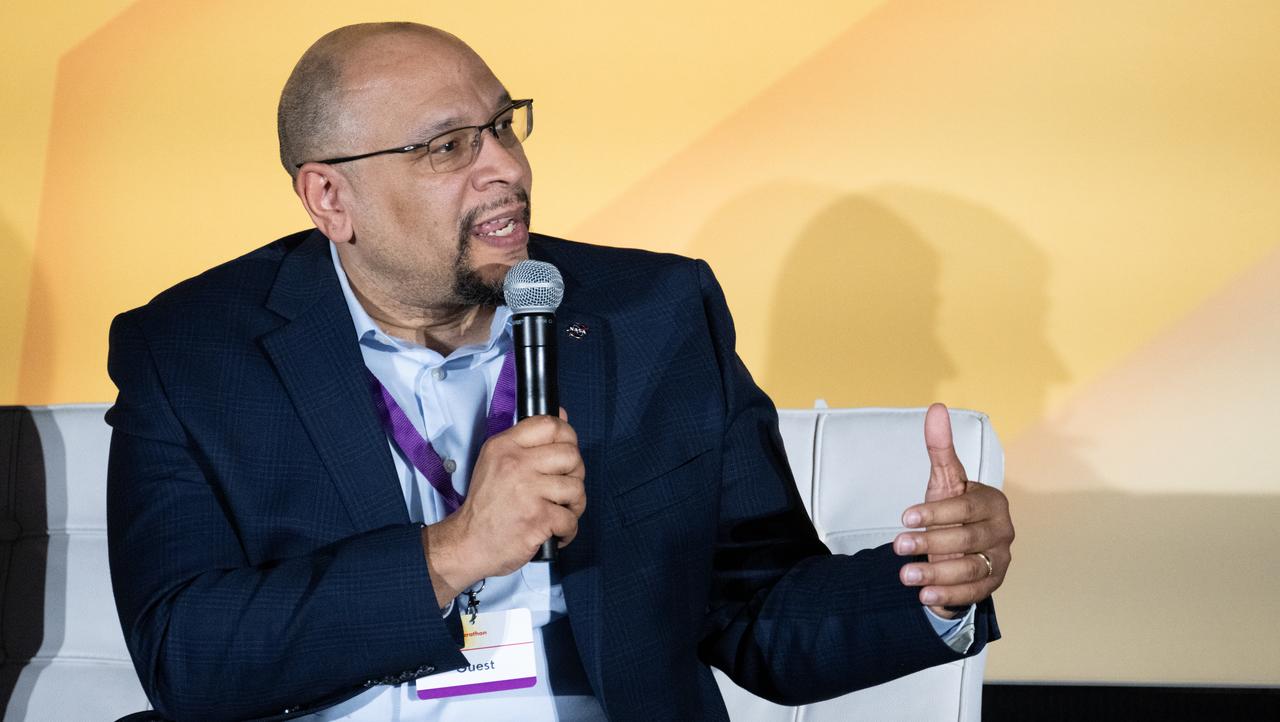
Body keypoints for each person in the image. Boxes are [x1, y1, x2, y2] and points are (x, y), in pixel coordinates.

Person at [105, 22, 1014, 722]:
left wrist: (931, 588)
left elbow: (756, 609)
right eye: (446, 146)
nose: (504, 167)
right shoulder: (194, 352)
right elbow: (186, 654)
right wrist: (453, 551)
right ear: (330, 197)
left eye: (503, 125)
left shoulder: (652, 313)